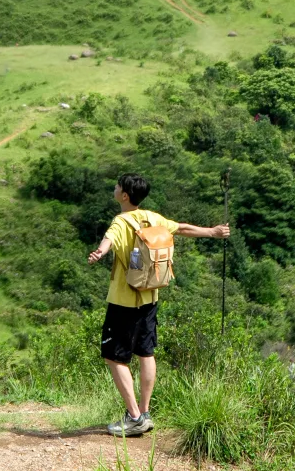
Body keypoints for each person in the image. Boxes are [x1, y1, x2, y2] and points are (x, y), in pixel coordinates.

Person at [87, 171, 230, 437]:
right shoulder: (154, 218)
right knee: (145, 353)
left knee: (113, 356)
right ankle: (145, 412)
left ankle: (133, 416)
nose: (115, 188)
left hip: (123, 301)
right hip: (150, 298)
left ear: (125, 195)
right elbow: (183, 228)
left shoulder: (121, 221)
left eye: (118, 186)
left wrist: (99, 252)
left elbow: (107, 241)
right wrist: (213, 232)